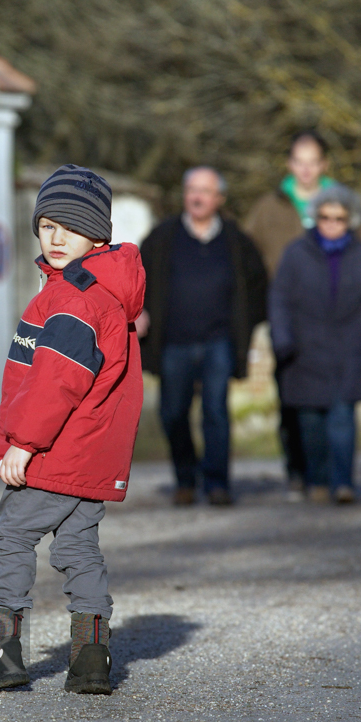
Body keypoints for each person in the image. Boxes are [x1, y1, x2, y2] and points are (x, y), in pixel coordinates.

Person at [0, 165, 145, 696]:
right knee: (79, 548)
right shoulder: (104, 295)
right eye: (46, 225)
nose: (56, 237)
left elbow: (57, 382)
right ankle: (91, 658)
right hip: (92, 457)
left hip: (55, 452)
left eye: (71, 226)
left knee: (13, 535)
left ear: (98, 236)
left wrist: (23, 442)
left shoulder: (75, 299)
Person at [137, 167, 267, 506]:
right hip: (173, 342)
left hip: (218, 341)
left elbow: (258, 288)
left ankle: (217, 483)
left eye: (205, 191)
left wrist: (246, 326)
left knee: (216, 412)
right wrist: (138, 310)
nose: (197, 196)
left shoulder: (237, 242)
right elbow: (133, 277)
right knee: (172, 413)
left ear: (219, 199)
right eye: (191, 189)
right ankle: (185, 478)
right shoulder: (162, 237)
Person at [268, 185, 361, 504]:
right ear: (316, 218)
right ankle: (318, 479)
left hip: (349, 348)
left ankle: (343, 483)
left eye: (339, 218)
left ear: (350, 220)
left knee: (342, 418)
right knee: (310, 422)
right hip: (304, 350)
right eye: (325, 217)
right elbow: (279, 299)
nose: (332, 224)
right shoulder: (296, 252)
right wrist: (281, 338)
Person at [243, 131, 336, 496]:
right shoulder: (270, 206)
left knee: (332, 397)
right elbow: (249, 256)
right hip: (286, 315)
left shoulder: (338, 202)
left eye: (313, 162)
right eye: (300, 161)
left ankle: (329, 471)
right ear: (290, 164)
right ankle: (296, 468)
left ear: (324, 165)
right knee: (291, 396)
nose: (307, 170)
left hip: (331, 315)